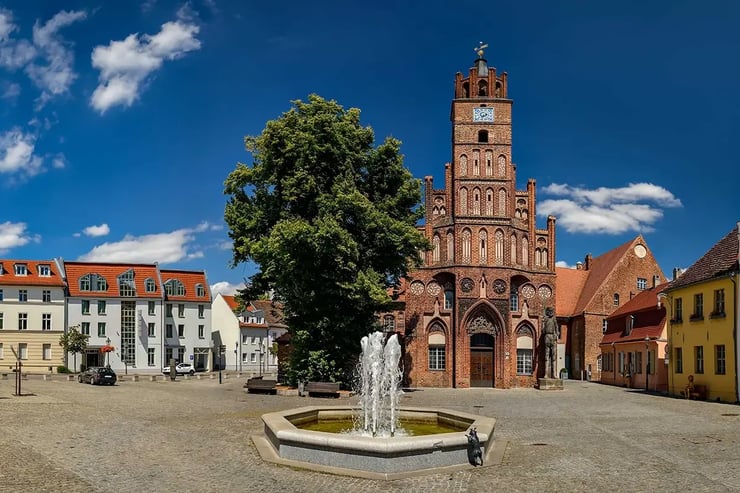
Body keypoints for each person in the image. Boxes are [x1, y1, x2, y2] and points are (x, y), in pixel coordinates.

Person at [542, 307, 559, 378]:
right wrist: (543, 323)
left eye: (552, 311)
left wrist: (556, 334)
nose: (551, 312)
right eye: (549, 311)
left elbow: (556, 327)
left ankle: (554, 374)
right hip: (547, 336)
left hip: (553, 336)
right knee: (546, 356)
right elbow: (542, 330)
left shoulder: (554, 319)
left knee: (554, 357)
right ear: (547, 312)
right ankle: (546, 374)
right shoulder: (545, 319)